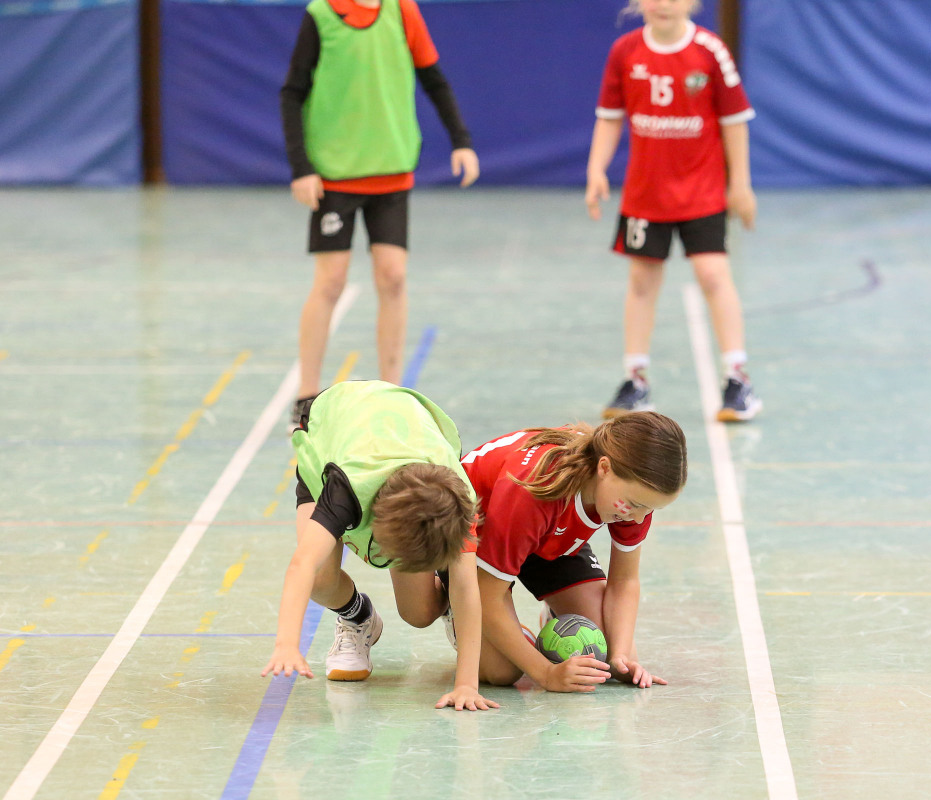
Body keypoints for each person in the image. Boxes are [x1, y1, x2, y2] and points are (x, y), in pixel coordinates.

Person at [280, 0, 479, 430]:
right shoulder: (322, 15)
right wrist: (301, 167)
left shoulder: (403, 11)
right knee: (330, 281)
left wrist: (461, 140)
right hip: (335, 175)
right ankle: (306, 395)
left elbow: (434, 79)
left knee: (393, 277)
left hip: (391, 173)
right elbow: (292, 92)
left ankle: (393, 392)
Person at [262, 380, 498, 711]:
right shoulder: (345, 489)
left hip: (401, 426)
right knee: (319, 579)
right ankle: (356, 616)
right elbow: (303, 564)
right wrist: (287, 644)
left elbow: (466, 584)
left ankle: (446, 607)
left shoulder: (456, 500)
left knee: (418, 613)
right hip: (333, 431)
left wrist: (466, 685)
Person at [586, 0, 762, 422]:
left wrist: (740, 184)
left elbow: (734, 120)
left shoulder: (710, 51)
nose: (663, 3)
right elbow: (609, 117)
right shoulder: (625, 51)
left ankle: (737, 379)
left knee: (713, 275)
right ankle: (635, 381)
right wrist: (596, 169)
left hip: (702, 192)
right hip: (646, 195)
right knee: (642, 281)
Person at [459, 411, 686, 692]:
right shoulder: (534, 489)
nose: (639, 518)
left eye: (650, 509)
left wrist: (621, 656)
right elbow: (487, 596)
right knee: (502, 671)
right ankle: (453, 606)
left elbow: (625, 581)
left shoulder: (633, 496)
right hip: (477, 542)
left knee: (607, 656)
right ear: (604, 468)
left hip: (550, 538)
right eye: (636, 505)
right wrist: (546, 673)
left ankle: (556, 615)